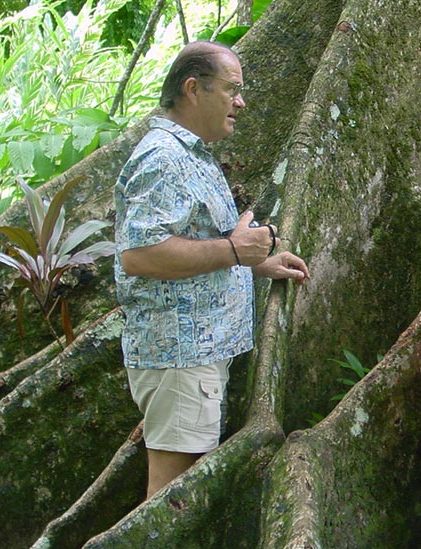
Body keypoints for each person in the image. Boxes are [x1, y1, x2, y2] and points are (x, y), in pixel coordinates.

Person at [114, 41, 310, 500]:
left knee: (182, 490)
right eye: (232, 89)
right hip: (180, 355)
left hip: (195, 354)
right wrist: (234, 250)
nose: (240, 102)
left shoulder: (192, 153)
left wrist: (257, 263)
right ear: (192, 89)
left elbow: (196, 243)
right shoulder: (164, 158)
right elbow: (139, 255)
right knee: (171, 496)